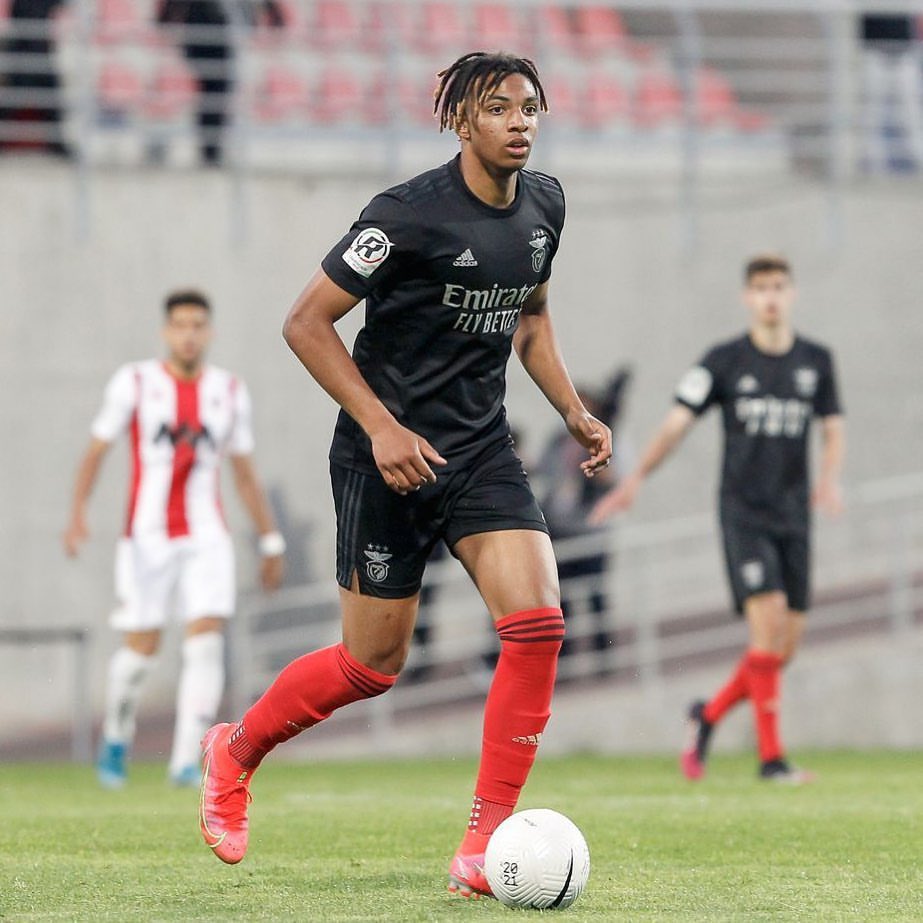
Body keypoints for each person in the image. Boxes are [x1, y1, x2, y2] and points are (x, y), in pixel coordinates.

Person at [196, 51, 612, 899]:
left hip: (481, 450)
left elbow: (529, 316)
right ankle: (234, 750)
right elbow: (305, 322)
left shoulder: (546, 204)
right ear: (461, 121)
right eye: (498, 108)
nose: (520, 122)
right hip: (382, 457)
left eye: (530, 107)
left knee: (536, 624)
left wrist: (571, 410)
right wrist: (381, 426)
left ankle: (483, 840)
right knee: (369, 665)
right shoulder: (406, 215)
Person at [591, 254, 844, 783]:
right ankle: (772, 761)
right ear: (747, 297)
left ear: (791, 293)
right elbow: (676, 424)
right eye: (761, 288)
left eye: (778, 286)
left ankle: (705, 717)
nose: (770, 296)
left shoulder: (817, 360)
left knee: (782, 648)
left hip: (795, 517)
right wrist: (635, 478)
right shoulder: (724, 361)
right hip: (743, 514)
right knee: (768, 622)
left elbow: (833, 428)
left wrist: (829, 480)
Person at [63, 288, 285, 788]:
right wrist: (78, 513)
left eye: (198, 325)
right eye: (180, 325)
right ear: (167, 331)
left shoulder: (228, 391)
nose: (189, 334)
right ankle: (117, 737)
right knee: (140, 651)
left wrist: (271, 540)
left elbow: (244, 474)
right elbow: (96, 450)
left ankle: (186, 760)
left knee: (205, 645)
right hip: (147, 538)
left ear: (209, 331)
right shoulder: (136, 382)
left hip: (208, 536)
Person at [539, 368, 631, 666]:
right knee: (561, 601)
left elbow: (617, 481)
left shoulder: (606, 436)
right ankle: (563, 660)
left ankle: (604, 658)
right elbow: (544, 471)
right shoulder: (558, 440)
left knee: (596, 598)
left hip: (590, 530)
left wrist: (599, 465)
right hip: (559, 530)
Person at [156, 0, 283, 165]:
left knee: (217, 98)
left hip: (225, 44)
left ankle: (212, 151)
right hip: (202, 41)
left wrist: (275, 18)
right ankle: (210, 152)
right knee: (211, 97)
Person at [0, 0, 69, 156]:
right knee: (11, 102)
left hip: (40, 54)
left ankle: (56, 144)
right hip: (22, 55)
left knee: (53, 101)